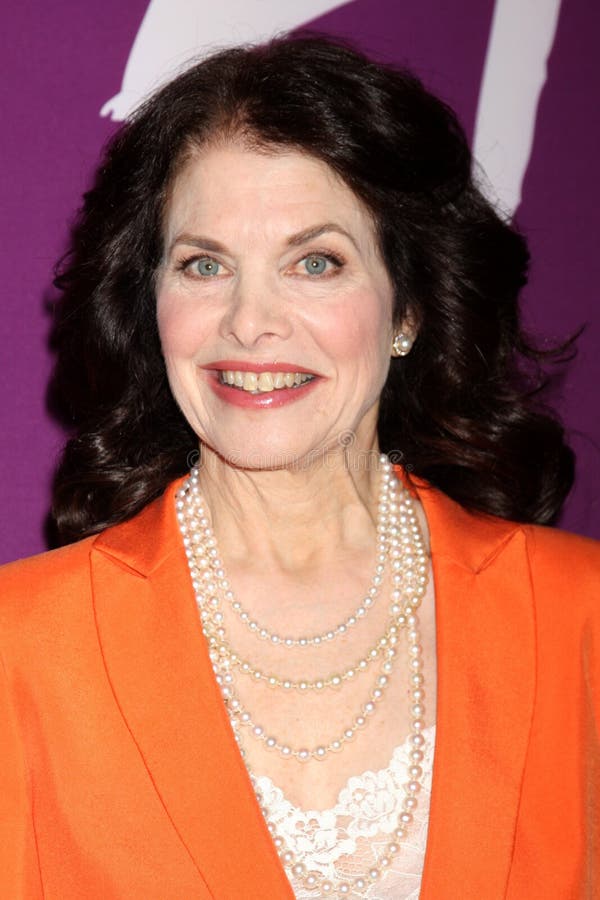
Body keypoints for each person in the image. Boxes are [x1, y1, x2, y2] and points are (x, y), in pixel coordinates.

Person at [0, 35, 598, 900]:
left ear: (409, 309)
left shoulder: (581, 618)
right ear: (150, 306)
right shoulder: (20, 648)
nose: (250, 322)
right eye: (204, 265)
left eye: (315, 262)